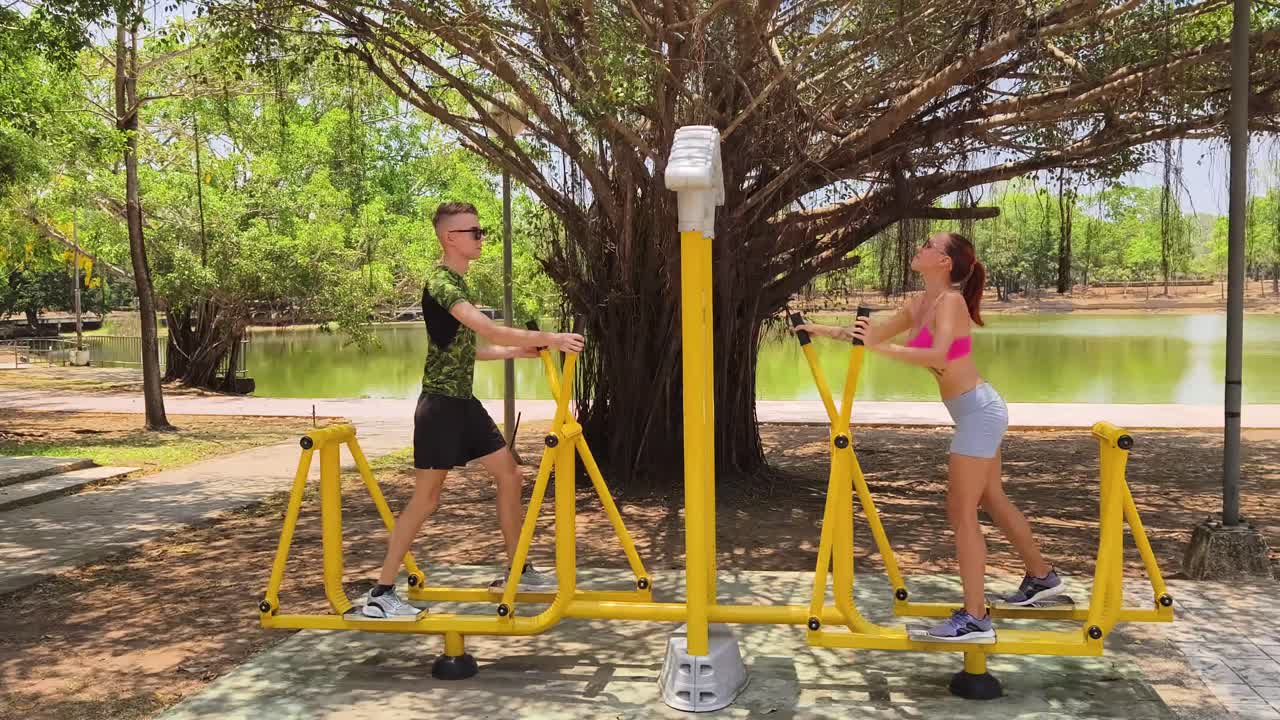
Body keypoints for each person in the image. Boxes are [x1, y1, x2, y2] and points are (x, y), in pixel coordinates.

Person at [795, 231, 1063, 642]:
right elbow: (870, 336)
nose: (919, 248)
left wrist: (880, 350)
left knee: (960, 513)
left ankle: (975, 618)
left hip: (979, 413)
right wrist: (816, 328)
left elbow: (937, 355)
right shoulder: (918, 305)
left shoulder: (951, 303)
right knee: (992, 498)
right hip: (976, 411)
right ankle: (1042, 577)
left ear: (945, 263)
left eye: (928, 245)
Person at [362, 201, 586, 619]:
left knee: (511, 475)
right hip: (440, 407)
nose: (481, 238)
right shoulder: (442, 284)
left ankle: (518, 566)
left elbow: (471, 350)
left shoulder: (458, 285)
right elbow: (487, 328)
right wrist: (551, 337)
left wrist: (518, 352)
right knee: (426, 500)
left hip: (463, 402)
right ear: (451, 238)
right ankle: (381, 592)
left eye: (481, 232)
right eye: (475, 232)